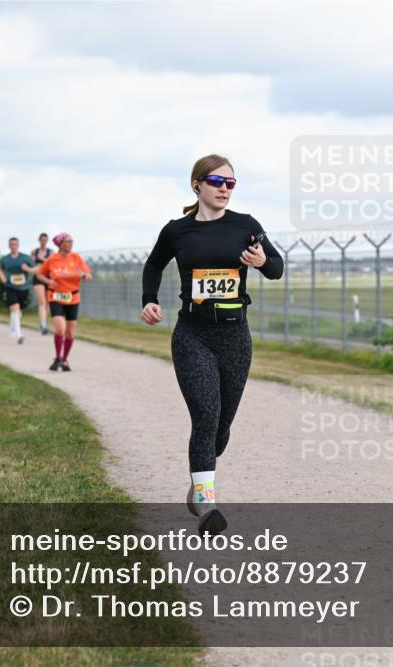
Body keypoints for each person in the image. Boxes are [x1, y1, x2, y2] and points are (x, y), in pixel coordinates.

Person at [140, 154, 283, 536]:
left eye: (230, 183)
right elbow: (153, 265)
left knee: (221, 427)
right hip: (193, 334)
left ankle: (199, 477)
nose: (224, 189)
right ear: (197, 185)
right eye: (217, 182)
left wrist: (262, 260)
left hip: (235, 337)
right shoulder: (177, 231)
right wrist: (149, 300)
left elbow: (277, 268)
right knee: (205, 413)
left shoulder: (246, 225)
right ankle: (206, 502)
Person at [35, 232, 92, 371]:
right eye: (67, 241)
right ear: (60, 244)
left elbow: (89, 275)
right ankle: (58, 358)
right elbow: (39, 274)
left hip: (73, 297)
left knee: (70, 332)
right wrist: (49, 281)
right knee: (60, 328)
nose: (71, 244)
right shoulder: (52, 259)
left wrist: (84, 275)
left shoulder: (76, 257)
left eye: (72, 241)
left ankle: (64, 360)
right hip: (56, 297)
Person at [0, 237, 33, 344]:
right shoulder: (5, 259)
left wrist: (27, 269)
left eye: (15, 244)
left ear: (18, 245)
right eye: (11, 244)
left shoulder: (25, 258)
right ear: (9, 246)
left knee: (18, 311)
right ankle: (19, 334)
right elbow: (0, 269)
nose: (13, 246)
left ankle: (12, 330)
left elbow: (35, 269)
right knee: (15, 308)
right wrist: (2, 278)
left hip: (23, 288)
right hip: (10, 287)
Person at [31, 232, 54, 335]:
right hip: (38, 277)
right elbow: (32, 263)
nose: (44, 242)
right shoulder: (34, 251)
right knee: (42, 302)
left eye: (45, 240)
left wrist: (42, 259)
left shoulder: (51, 252)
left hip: (48, 278)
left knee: (47, 303)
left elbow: (52, 263)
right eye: (42, 240)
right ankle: (43, 326)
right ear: (39, 240)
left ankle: (42, 323)